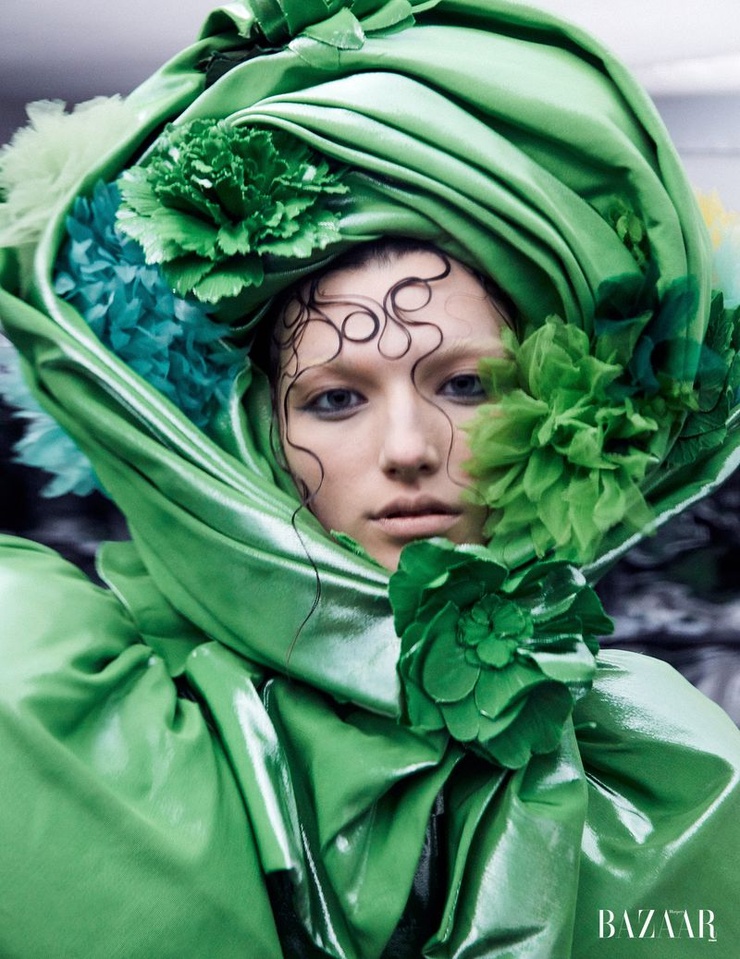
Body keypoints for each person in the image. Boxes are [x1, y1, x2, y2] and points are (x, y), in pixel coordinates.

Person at [0, 2, 739, 957]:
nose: (409, 448)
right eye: (336, 399)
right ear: (258, 434)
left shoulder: (663, 770)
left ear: (560, 403)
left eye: (466, 385)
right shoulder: (62, 700)